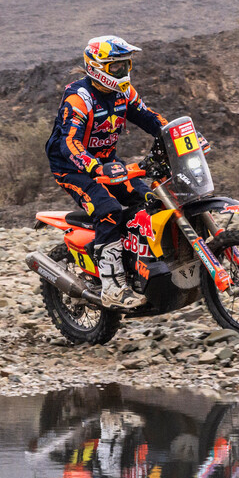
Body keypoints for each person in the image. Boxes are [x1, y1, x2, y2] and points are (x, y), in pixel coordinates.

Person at [45, 36, 167, 309]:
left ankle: (141, 265)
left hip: (106, 162)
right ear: (96, 67)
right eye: (117, 66)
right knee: (108, 209)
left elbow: (149, 117)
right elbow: (69, 143)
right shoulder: (79, 99)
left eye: (126, 65)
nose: (123, 71)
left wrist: (177, 137)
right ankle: (112, 286)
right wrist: (95, 167)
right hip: (72, 168)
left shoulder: (125, 93)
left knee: (150, 200)